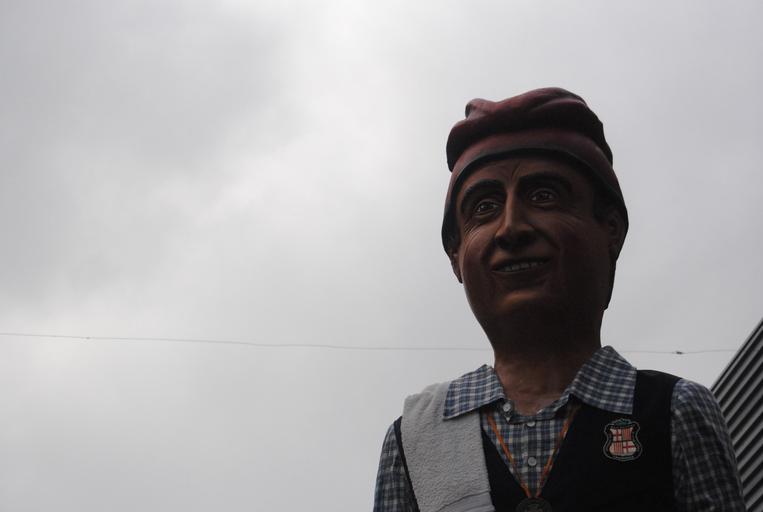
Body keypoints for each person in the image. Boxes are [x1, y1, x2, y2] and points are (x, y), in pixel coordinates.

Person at [373, 88, 744, 512]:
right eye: (484, 207)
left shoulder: (674, 411)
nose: (511, 228)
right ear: (456, 256)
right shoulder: (415, 439)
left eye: (543, 196)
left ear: (610, 230)